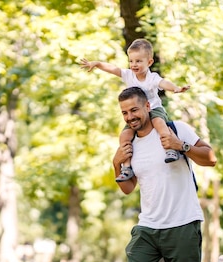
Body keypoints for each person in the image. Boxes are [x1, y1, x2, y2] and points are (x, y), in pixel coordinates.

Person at [112, 86, 217, 262]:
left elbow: (211, 158)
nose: (130, 117)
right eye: (124, 112)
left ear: (148, 106)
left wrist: (180, 146)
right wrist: (116, 164)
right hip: (148, 224)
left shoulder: (174, 128)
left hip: (183, 221)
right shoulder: (129, 143)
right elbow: (127, 188)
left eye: (134, 110)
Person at [80, 38, 189, 183]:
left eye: (138, 61)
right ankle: (127, 167)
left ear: (149, 62)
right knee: (124, 136)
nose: (134, 65)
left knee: (160, 124)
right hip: (136, 114)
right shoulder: (129, 75)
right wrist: (98, 64)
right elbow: (113, 69)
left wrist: (175, 88)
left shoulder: (152, 78)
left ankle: (170, 149)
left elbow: (163, 83)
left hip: (154, 109)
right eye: (131, 61)